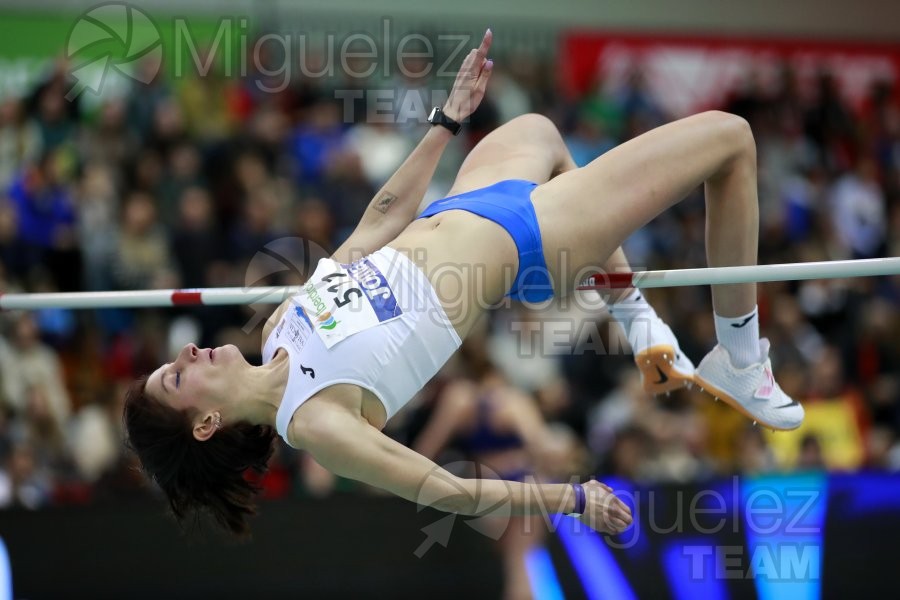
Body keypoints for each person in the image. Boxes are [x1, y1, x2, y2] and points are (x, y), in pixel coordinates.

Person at [124, 30, 804, 537]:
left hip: (469, 200)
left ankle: (635, 319)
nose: (186, 356)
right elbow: (444, 489)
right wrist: (571, 498)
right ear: (207, 424)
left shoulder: (277, 330)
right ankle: (741, 360)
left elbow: (377, 224)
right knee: (731, 139)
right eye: (176, 378)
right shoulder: (315, 421)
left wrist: (447, 120)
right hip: (533, 242)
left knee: (538, 129)